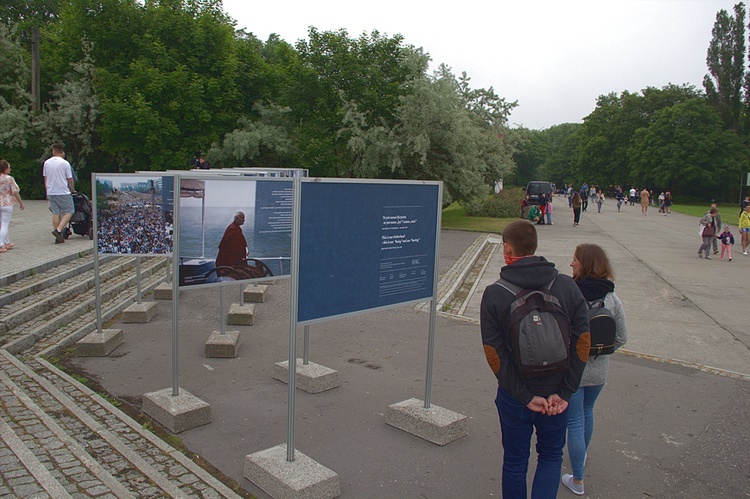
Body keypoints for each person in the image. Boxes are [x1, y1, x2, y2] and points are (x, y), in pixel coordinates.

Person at [481, 220, 589, 499]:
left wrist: (524, 396)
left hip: (515, 397)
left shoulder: (495, 294)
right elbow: (582, 343)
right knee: (551, 456)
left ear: (507, 248)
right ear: (535, 246)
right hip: (557, 396)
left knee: (516, 461)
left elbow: (494, 354)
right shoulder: (566, 286)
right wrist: (565, 393)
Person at [563, 244, 628, 496]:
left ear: (585, 264)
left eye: (575, 259)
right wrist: (600, 353)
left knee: (575, 421)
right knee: (587, 412)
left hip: (574, 369)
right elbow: (621, 336)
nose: (571, 263)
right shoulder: (611, 297)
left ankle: (577, 479)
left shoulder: (570, 293)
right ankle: (582, 455)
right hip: (599, 370)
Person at [43, 144, 75, 244]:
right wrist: (72, 189)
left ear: (53, 151)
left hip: (51, 191)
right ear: (62, 152)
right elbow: (70, 179)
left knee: (56, 213)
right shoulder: (65, 163)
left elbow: (45, 178)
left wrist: (47, 191)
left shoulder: (47, 163)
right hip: (62, 191)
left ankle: (58, 236)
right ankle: (58, 230)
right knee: (69, 211)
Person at [0, 160, 25, 253]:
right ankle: (1, 244)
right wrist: (21, 203)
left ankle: (7, 242)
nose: (10, 169)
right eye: (9, 167)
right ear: (5, 169)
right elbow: (15, 192)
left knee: (1, 224)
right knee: (5, 224)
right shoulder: (9, 178)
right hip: (7, 203)